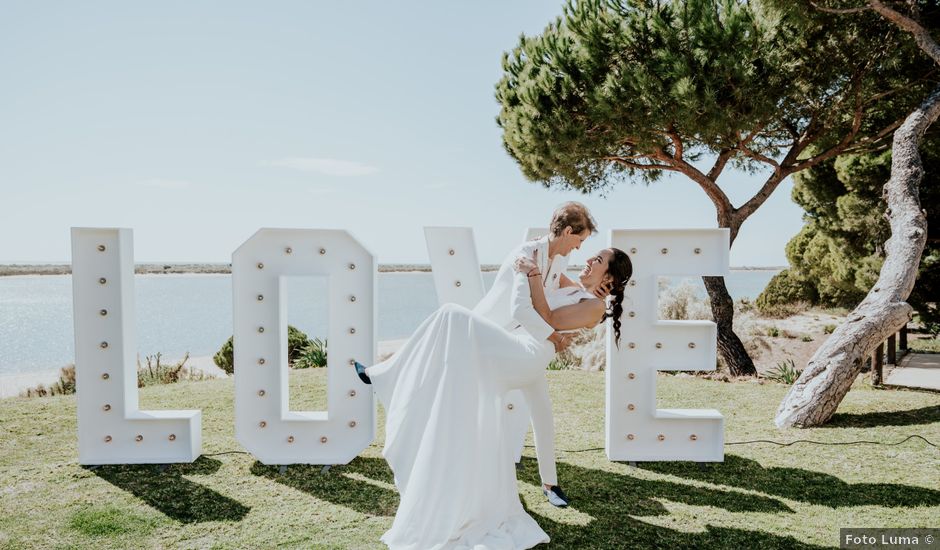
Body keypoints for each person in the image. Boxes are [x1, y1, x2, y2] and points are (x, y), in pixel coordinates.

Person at [354, 243, 633, 549]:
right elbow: (548, 269)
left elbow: (549, 317)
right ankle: (387, 373)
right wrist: (532, 259)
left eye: (599, 260)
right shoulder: (574, 286)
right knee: (449, 342)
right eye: (592, 254)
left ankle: (384, 373)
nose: (589, 260)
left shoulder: (594, 306)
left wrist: (534, 273)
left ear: (609, 279)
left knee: (452, 316)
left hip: (527, 355)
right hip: (516, 345)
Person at [472, 201, 608, 507]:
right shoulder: (527, 255)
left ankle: (550, 485)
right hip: (490, 336)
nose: (579, 248)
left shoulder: (557, 259)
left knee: (543, 415)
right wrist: (555, 337)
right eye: (580, 239)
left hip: (523, 344)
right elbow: (520, 308)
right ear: (569, 231)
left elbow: (562, 285)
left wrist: (589, 296)